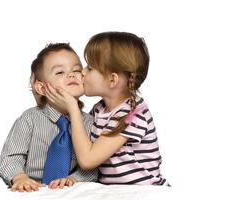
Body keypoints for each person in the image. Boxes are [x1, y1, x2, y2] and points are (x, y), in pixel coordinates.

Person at [45, 32, 169, 186]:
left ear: (112, 80)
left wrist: (73, 108)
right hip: (112, 191)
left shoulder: (134, 115)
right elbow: (81, 142)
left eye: (90, 68)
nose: (82, 72)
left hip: (144, 192)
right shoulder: (99, 109)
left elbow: (88, 160)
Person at [0, 43, 97, 192]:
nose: (71, 74)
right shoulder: (29, 119)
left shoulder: (90, 122)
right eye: (59, 72)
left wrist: (73, 179)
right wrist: (19, 177)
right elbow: (10, 157)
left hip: (69, 190)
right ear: (42, 88)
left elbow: (94, 166)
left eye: (76, 70)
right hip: (34, 187)